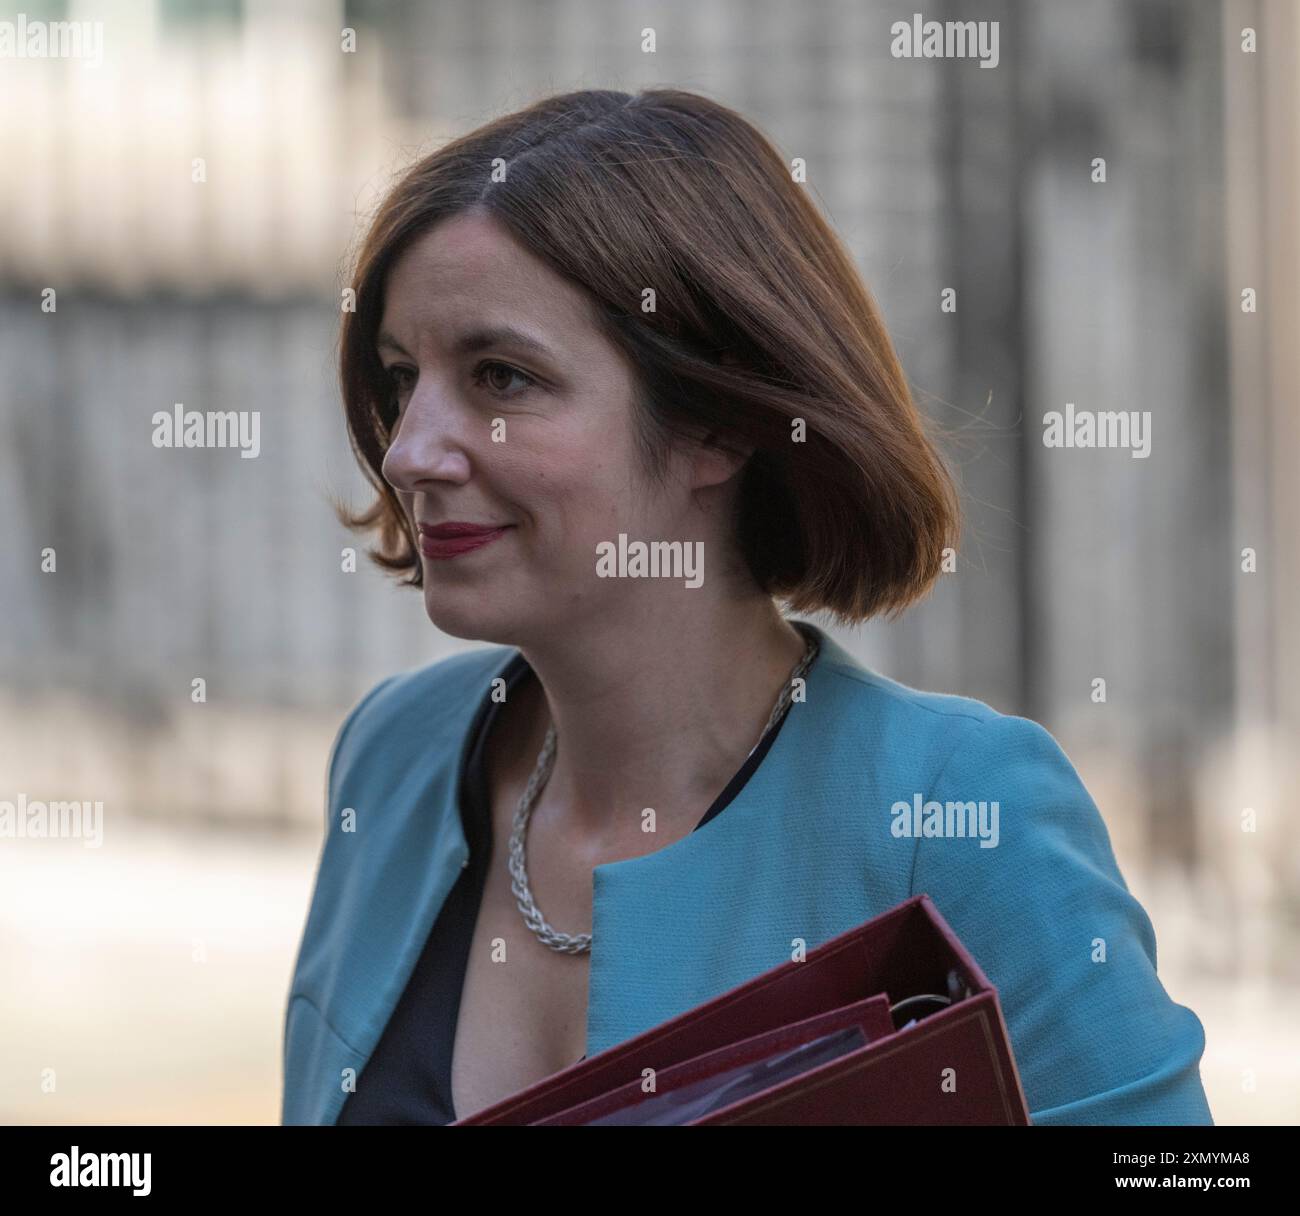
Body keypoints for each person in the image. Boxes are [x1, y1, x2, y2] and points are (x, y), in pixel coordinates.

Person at [281, 87, 1213, 1126]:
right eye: (403, 377)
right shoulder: (392, 757)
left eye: (500, 376)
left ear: (717, 421)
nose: (409, 449)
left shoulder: (957, 815)